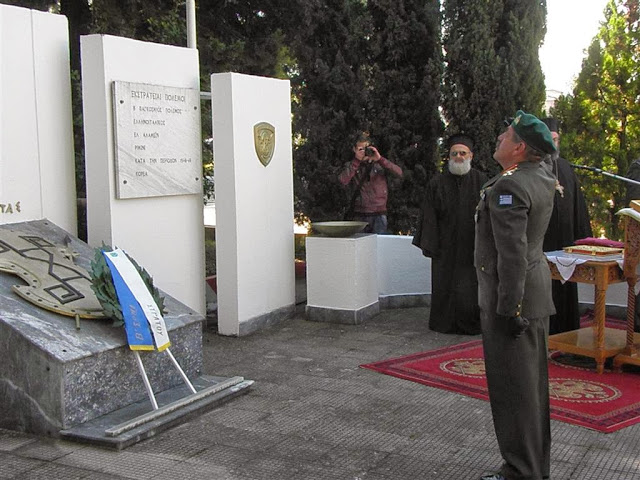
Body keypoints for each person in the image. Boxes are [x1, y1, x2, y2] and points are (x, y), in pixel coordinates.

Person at [474, 111, 557, 480]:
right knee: (531, 390)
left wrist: (509, 310)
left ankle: (521, 471)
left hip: (513, 300)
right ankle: (533, 466)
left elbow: (512, 256)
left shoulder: (509, 186)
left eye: (506, 135)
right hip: (535, 293)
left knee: (514, 391)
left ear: (521, 147)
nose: (499, 139)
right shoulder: (540, 175)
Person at [412, 134, 488, 334]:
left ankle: (471, 324)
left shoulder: (482, 181)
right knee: (444, 285)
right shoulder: (437, 183)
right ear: (449, 156)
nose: (459, 157)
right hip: (444, 247)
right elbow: (429, 215)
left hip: (472, 246)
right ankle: (442, 323)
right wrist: (431, 244)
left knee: (470, 288)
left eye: (463, 153)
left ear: (471, 155)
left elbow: (489, 215)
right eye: (454, 153)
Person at [541, 117, 592, 334]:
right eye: (549, 140)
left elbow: (578, 205)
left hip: (566, 243)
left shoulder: (565, 167)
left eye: (556, 140)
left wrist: (584, 240)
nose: (554, 144)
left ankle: (568, 329)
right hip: (542, 242)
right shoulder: (532, 167)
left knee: (566, 287)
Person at [339, 132, 403, 233]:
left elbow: (399, 173)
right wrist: (357, 161)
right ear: (354, 150)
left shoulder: (379, 165)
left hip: (379, 214)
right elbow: (343, 180)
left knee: (379, 246)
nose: (364, 152)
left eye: (366, 148)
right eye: (361, 149)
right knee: (360, 246)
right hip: (359, 215)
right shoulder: (351, 166)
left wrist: (380, 159)